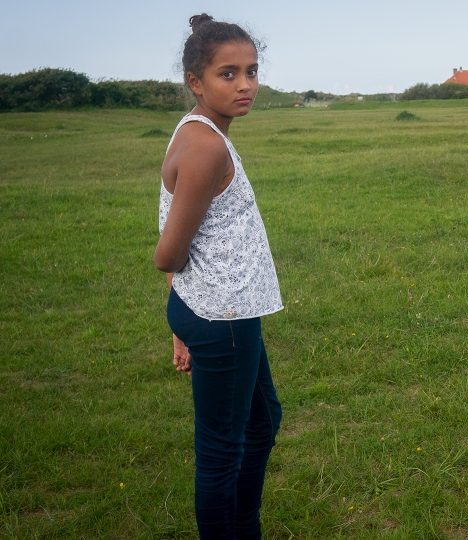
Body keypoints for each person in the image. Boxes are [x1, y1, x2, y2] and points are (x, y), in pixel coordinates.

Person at [154, 13, 283, 538]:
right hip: (223, 316)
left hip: (218, 310)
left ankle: (244, 526)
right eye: (228, 74)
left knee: (262, 422)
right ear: (195, 81)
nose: (246, 84)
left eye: (251, 71)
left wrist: (182, 315)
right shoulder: (206, 145)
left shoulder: (196, 129)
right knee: (222, 451)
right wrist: (192, 313)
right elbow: (168, 252)